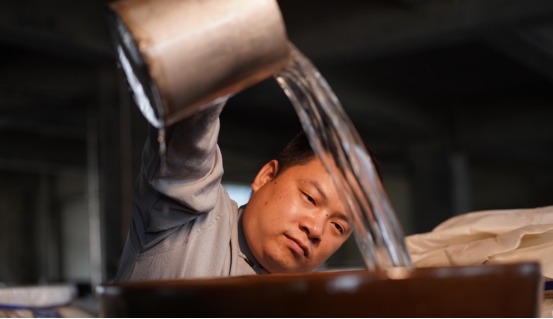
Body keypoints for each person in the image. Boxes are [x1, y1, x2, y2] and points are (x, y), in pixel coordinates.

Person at [114, 99, 380, 281]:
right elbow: (187, 134)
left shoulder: (308, 300)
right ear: (266, 176)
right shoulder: (187, 219)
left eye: (338, 227)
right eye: (310, 198)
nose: (316, 230)